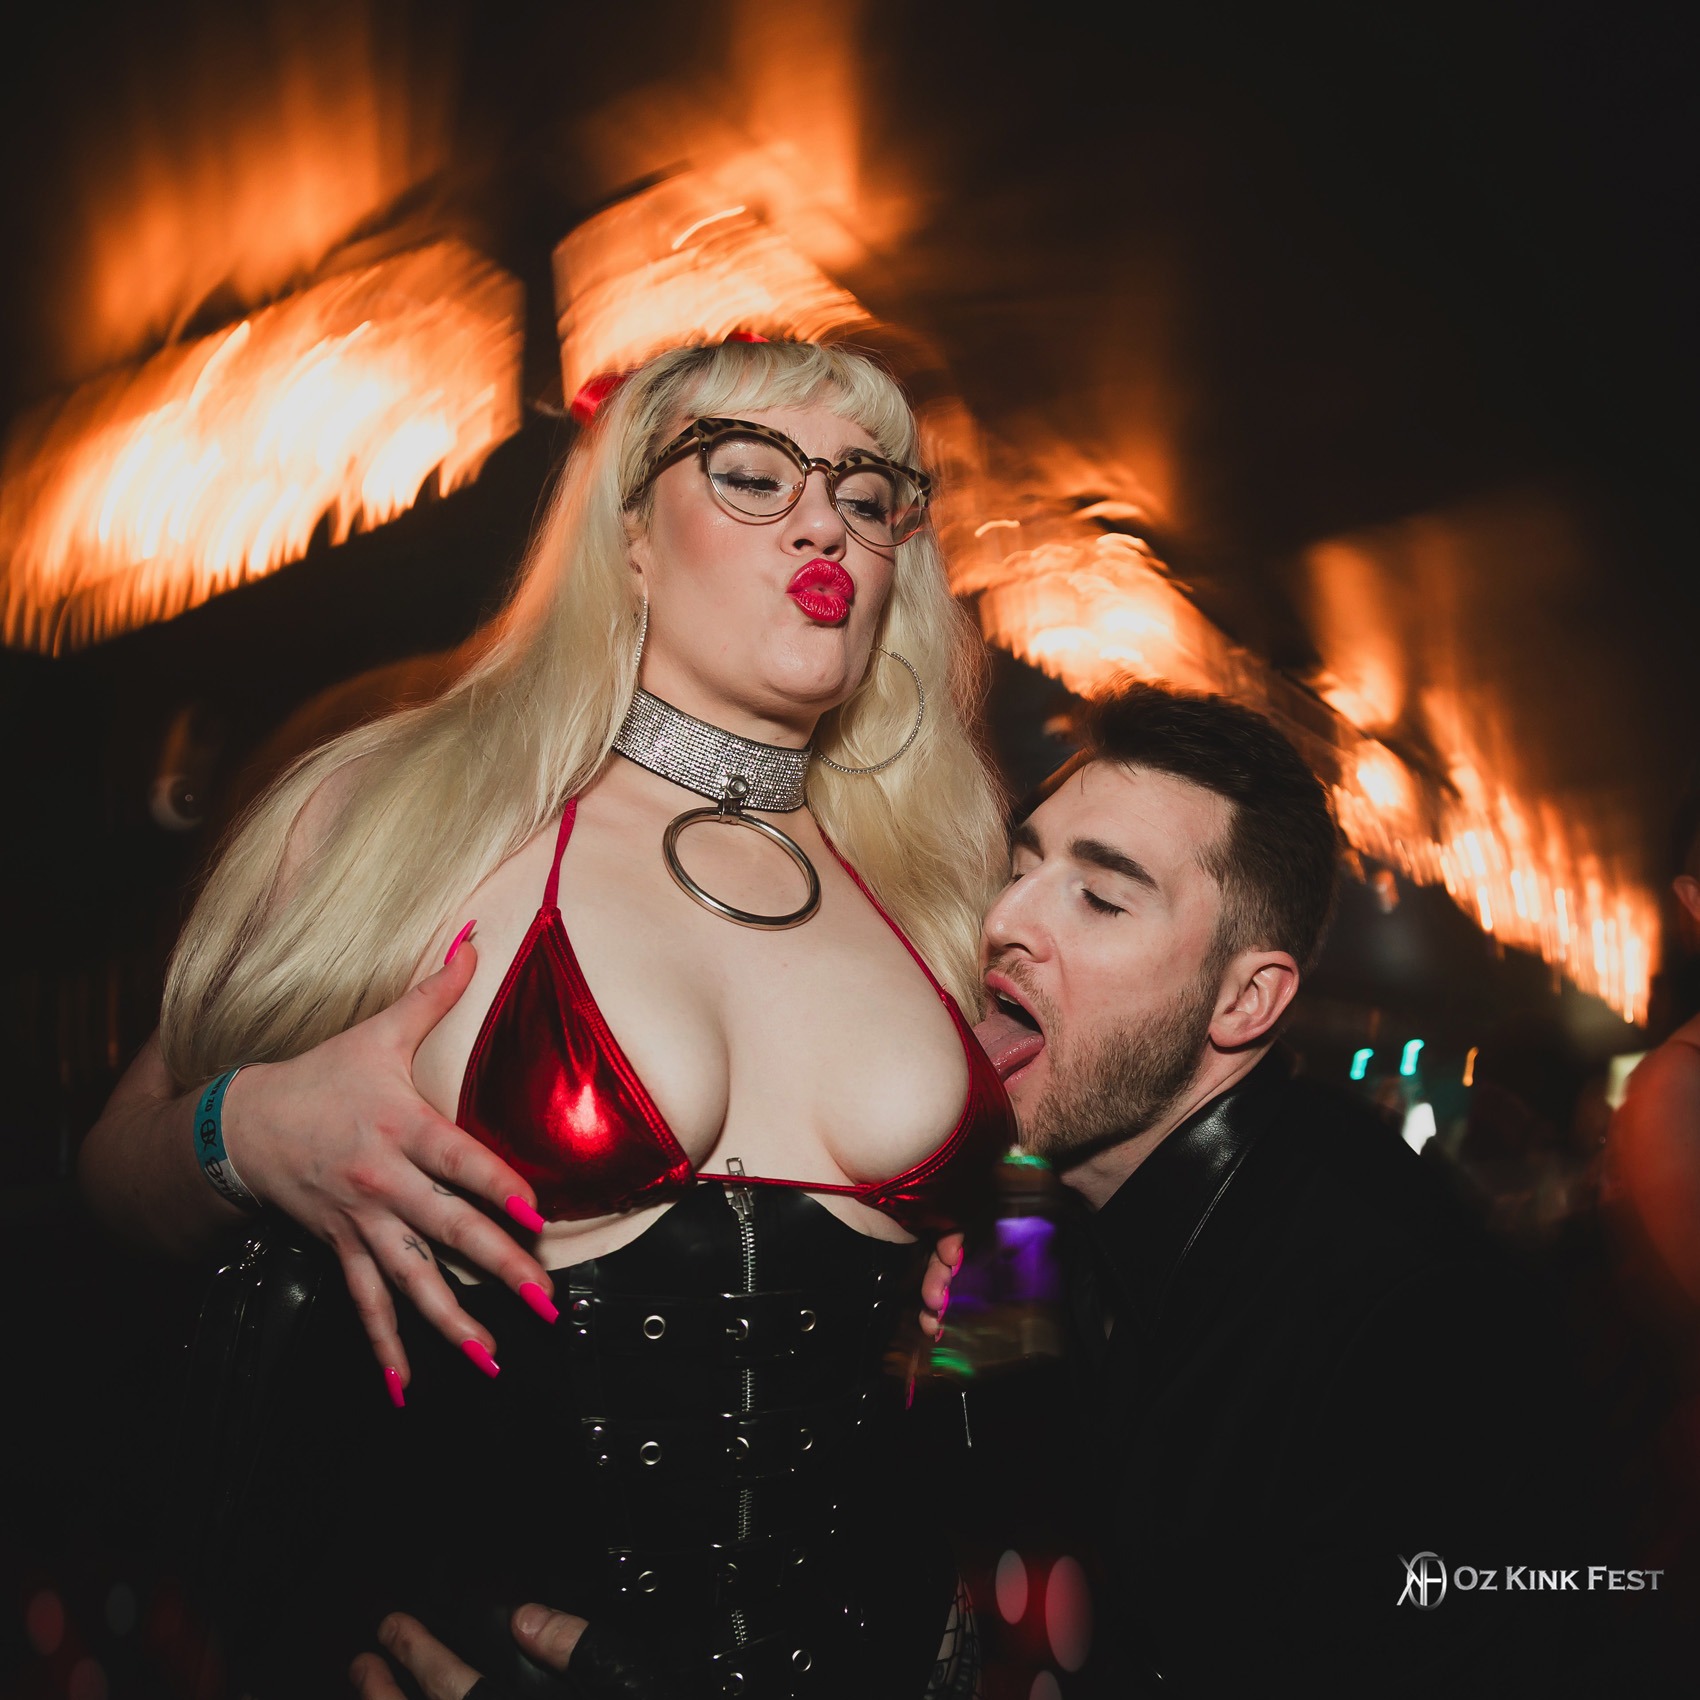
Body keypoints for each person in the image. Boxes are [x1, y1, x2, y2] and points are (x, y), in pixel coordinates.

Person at [80, 339, 1013, 1698]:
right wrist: (249, 1127)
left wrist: (979, 1277)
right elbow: (107, 1181)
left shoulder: (937, 890)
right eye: (755, 475)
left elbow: (1016, 1299)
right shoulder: (407, 817)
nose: (825, 523)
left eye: (867, 497)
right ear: (629, 535)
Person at [932, 684, 1612, 1695]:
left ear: (1246, 1000)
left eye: (1100, 897)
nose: (1004, 919)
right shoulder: (1036, 1231)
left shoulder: (1413, 1321)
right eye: (1021, 867)